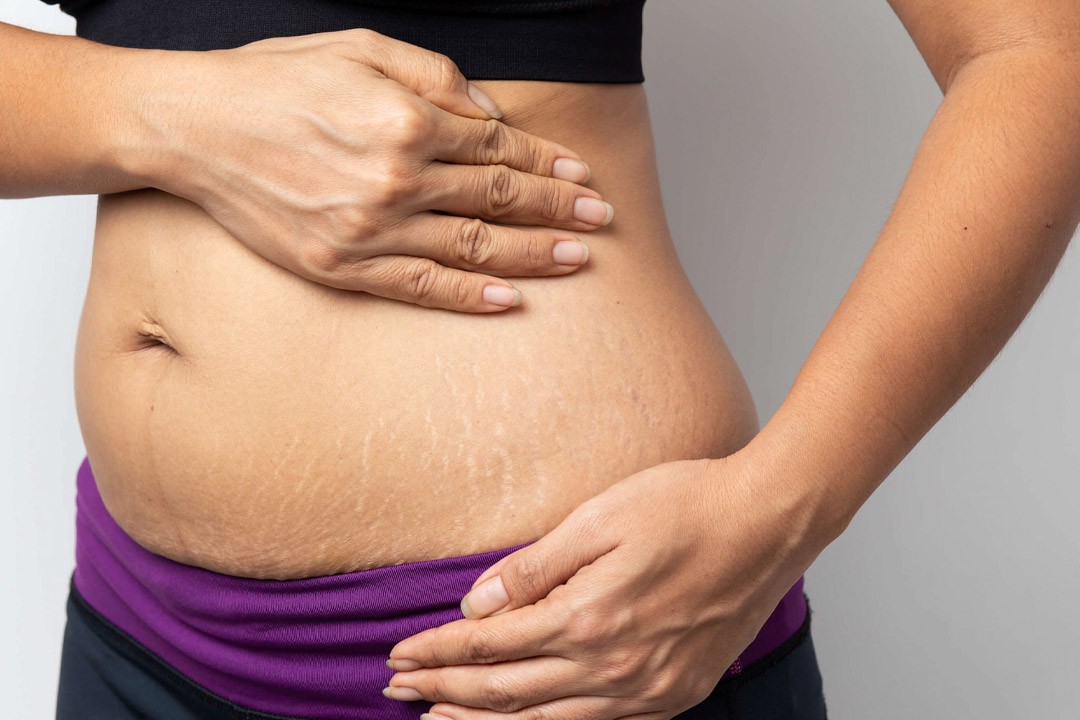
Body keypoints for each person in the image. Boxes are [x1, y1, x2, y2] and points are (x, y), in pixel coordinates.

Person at [3, 0, 1078, 718]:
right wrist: (176, 114)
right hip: (134, 638)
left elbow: (1040, 51)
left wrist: (787, 504)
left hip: (562, 658)